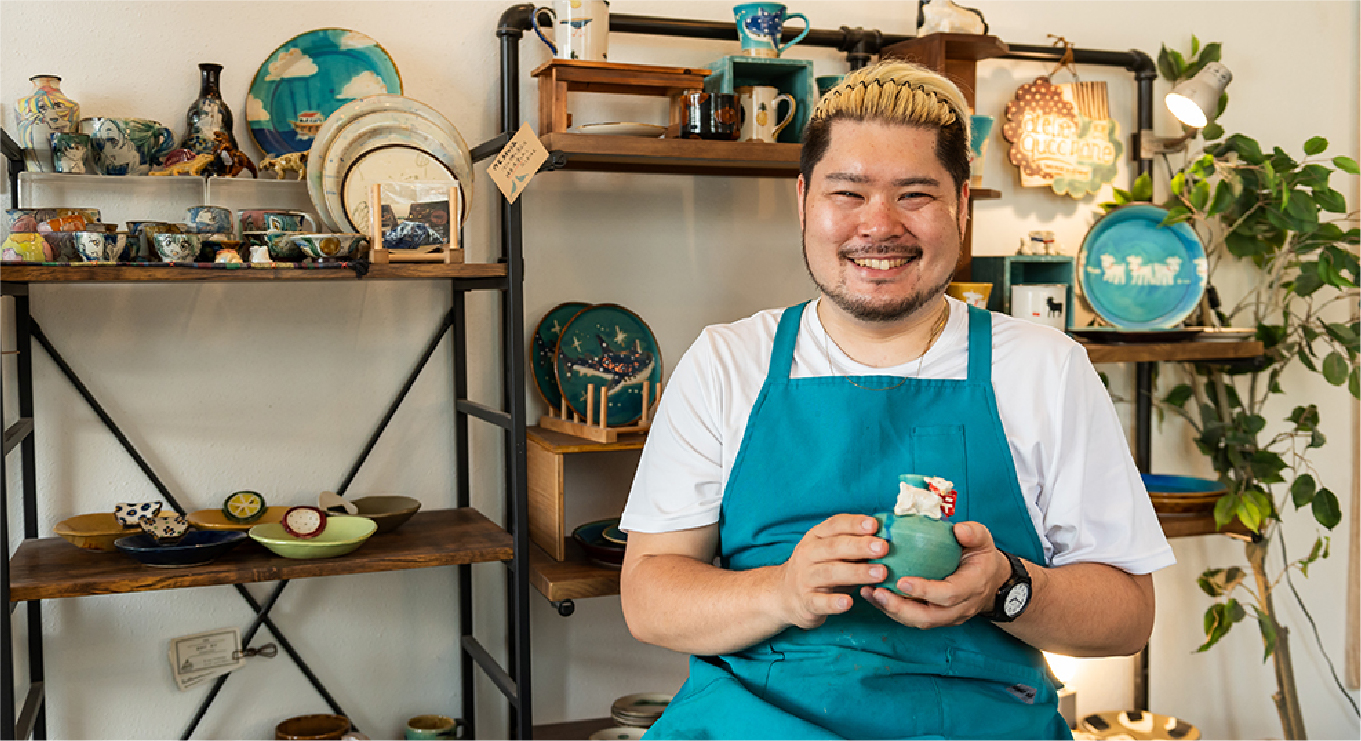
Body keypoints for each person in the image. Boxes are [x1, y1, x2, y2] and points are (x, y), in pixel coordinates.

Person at [618, 60, 1175, 740]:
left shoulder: (1045, 368)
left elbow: (1128, 617)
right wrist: (780, 590)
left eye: (914, 195)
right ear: (803, 200)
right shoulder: (727, 362)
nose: (878, 225)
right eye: (847, 193)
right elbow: (647, 598)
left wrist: (1006, 586)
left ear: (961, 206)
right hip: (753, 721)